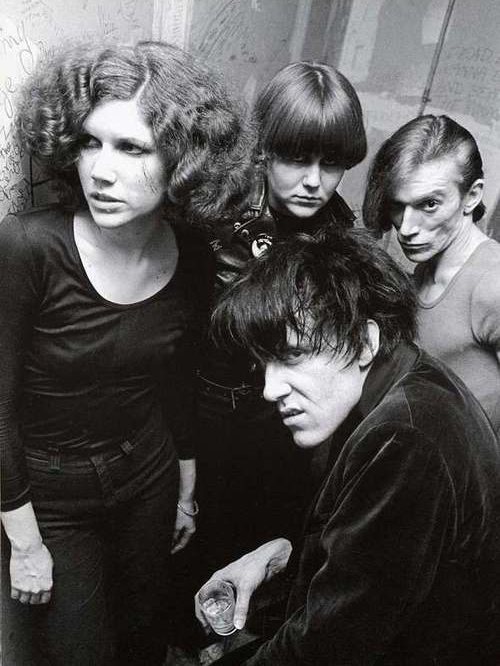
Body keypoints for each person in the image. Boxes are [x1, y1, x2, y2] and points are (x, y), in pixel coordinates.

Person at [0, 40, 252, 666]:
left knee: (144, 640)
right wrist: (24, 543)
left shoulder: (192, 253)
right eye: (91, 142)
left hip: (148, 473)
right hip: (52, 495)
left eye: (132, 148)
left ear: (184, 161)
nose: (100, 171)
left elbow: (178, 380)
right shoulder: (26, 248)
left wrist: (184, 487)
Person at [196, 229, 500, 665]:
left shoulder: (403, 439)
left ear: (364, 341)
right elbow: (382, 562)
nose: (269, 389)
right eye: (263, 364)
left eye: (292, 355)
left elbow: (329, 648)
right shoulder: (405, 377)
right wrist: (280, 558)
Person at [195, 61, 367, 577]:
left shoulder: (337, 223)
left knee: (271, 549)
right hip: (213, 422)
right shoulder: (217, 216)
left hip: (291, 423)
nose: (314, 181)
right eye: (296, 159)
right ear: (264, 150)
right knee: (203, 554)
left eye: (331, 164)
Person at [362, 114, 500, 434]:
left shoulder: (492, 283)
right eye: (398, 204)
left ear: (472, 196)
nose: (407, 228)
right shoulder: (426, 270)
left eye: (429, 205)